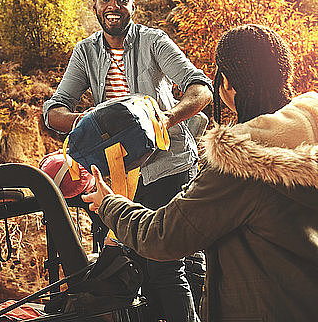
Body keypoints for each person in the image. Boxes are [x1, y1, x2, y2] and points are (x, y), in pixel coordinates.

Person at [83, 24, 318, 322]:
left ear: (229, 84)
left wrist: (109, 203)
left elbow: (164, 236)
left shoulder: (240, 164)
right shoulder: (309, 131)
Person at [43, 0, 213, 322]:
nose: (114, 6)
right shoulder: (86, 52)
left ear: (133, 5)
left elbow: (200, 89)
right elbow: (54, 110)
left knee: (165, 267)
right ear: (95, 6)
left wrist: (164, 119)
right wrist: (93, 123)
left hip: (168, 168)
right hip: (114, 180)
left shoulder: (154, 42)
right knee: (120, 273)